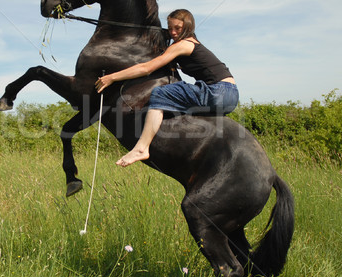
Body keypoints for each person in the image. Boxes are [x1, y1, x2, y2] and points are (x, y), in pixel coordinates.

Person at [95, 9, 238, 167]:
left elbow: (146, 68)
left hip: (218, 91)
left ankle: (142, 148)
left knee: (160, 93)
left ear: (188, 27)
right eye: (170, 28)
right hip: (230, 95)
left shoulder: (184, 44)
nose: (173, 32)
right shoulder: (191, 43)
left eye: (178, 28)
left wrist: (112, 77)